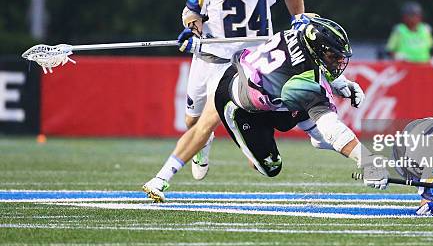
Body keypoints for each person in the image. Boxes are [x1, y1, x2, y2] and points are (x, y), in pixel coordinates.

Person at [143, 17, 388, 202]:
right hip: (238, 102)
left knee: (304, 118)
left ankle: (312, 136)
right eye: (333, 56)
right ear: (319, 50)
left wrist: (339, 84)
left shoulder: (301, 31)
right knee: (269, 167)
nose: (338, 62)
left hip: (262, 86)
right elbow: (333, 128)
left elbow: (306, 52)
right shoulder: (302, 83)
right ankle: (173, 170)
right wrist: (367, 160)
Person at [178, 0, 307, 181]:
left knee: (252, 138)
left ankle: (255, 147)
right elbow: (192, 12)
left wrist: (298, 19)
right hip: (212, 55)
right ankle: (203, 144)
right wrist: (193, 31)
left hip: (251, 60)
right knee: (192, 121)